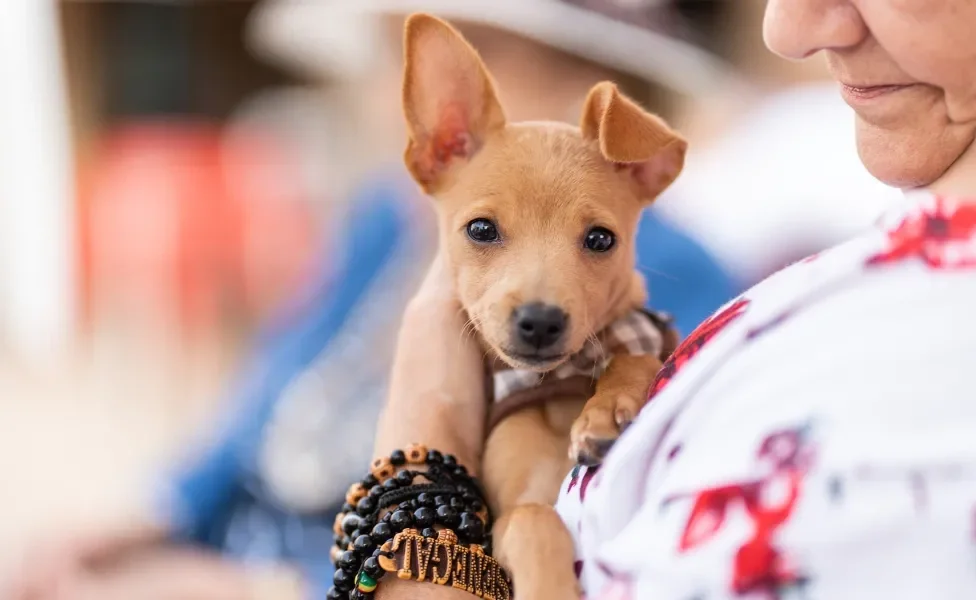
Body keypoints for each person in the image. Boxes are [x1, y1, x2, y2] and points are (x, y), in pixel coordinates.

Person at [376, 1, 976, 600]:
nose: (788, 30)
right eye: (484, 232)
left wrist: (422, 444)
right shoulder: (847, 284)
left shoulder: (918, 347)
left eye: (596, 241)